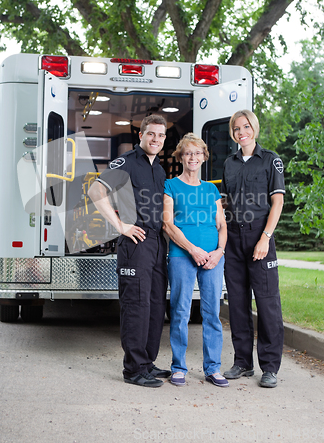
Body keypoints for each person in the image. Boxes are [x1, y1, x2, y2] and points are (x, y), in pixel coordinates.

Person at [88, 114, 170, 388]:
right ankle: (133, 369)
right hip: (135, 244)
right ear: (141, 135)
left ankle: (147, 362)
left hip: (158, 244)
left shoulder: (159, 169)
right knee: (136, 305)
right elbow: (96, 191)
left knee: (156, 305)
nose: (156, 139)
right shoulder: (125, 163)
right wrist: (120, 226)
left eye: (161, 135)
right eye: (151, 134)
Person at [221, 110, 285, 388]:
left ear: (254, 129)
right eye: (236, 128)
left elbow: (278, 203)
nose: (241, 132)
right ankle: (242, 362)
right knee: (237, 303)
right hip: (234, 238)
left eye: (246, 126)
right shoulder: (229, 164)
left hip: (260, 236)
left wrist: (265, 238)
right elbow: (224, 202)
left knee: (268, 303)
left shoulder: (271, 161)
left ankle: (269, 367)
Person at [162, 133, 228, 388]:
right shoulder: (171, 186)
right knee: (180, 311)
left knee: (212, 312)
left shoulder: (211, 189)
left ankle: (213, 368)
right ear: (180, 157)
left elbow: (221, 224)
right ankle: (178, 367)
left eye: (197, 153)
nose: (192, 157)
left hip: (213, 257)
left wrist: (219, 251)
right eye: (188, 153)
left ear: (203, 157)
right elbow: (168, 224)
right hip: (182, 255)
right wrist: (192, 250)